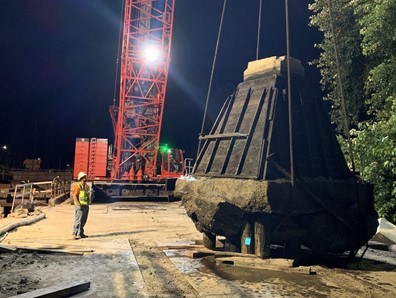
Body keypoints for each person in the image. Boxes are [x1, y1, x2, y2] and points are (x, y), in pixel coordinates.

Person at [72, 172, 91, 239]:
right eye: (84, 177)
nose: (85, 178)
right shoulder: (78, 186)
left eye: (85, 177)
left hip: (86, 206)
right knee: (78, 220)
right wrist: (78, 204)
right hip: (80, 206)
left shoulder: (87, 186)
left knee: (83, 220)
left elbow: (88, 195)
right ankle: (75, 234)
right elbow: (74, 196)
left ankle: (81, 233)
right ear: (81, 178)